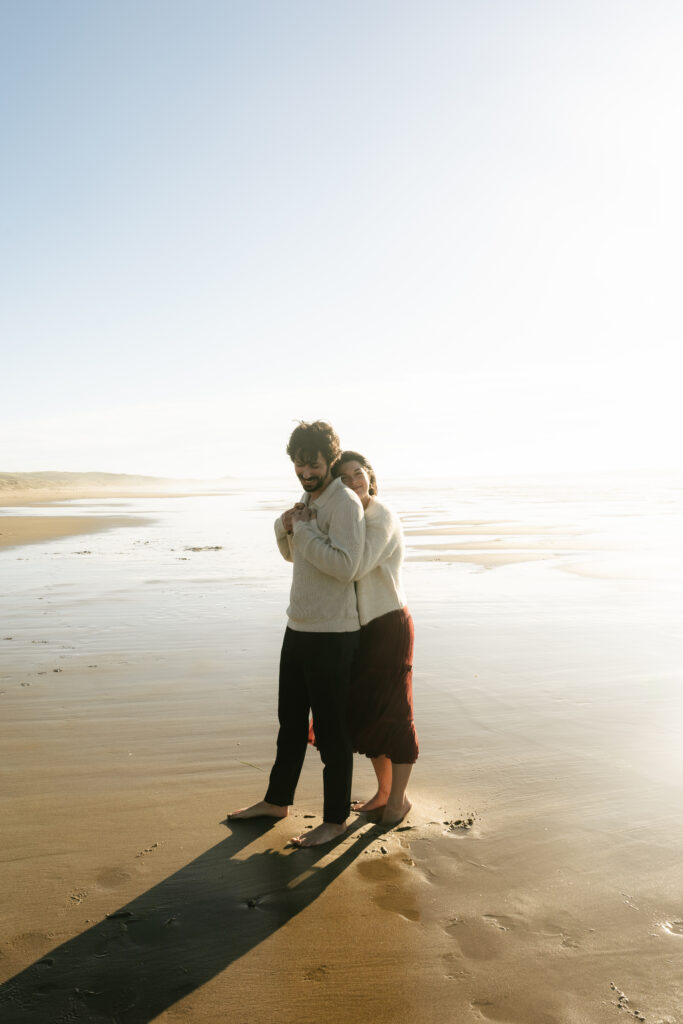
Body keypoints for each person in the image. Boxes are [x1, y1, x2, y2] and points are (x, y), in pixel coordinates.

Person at [228, 421, 365, 847]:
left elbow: (347, 568)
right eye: (299, 465)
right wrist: (285, 526)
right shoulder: (308, 497)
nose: (305, 472)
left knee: (330, 733)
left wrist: (303, 529)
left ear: (330, 461)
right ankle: (276, 801)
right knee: (290, 723)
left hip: (333, 634)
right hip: (299, 626)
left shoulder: (344, 503)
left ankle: (335, 821)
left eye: (313, 465)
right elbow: (295, 556)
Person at [334, 451, 418, 825]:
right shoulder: (349, 518)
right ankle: (383, 793)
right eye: (344, 478)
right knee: (369, 714)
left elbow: (357, 564)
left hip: (390, 625)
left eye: (357, 473)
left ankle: (399, 800)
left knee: (396, 712)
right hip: (362, 629)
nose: (353, 481)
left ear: (369, 476)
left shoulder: (380, 515)